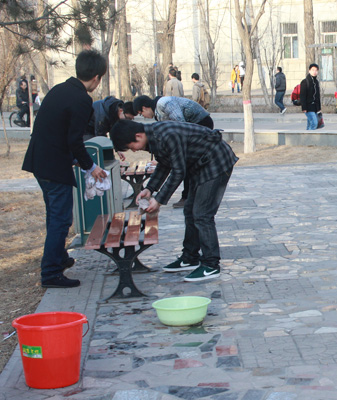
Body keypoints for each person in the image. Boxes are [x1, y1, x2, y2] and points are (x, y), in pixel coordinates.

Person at [109, 119, 238, 282]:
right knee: (190, 211)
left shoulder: (167, 135)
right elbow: (165, 164)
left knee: (202, 215)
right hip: (200, 166)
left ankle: (211, 265)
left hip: (216, 163)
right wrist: (150, 189)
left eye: (130, 147)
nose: (133, 151)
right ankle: (190, 257)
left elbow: (178, 171)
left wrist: (159, 200)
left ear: (138, 136)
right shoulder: (155, 136)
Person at [22, 49, 108, 288]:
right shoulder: (82, 99)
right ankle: (51, 273)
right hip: (54, 165)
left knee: (55, 216)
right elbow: (74, 141)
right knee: (61, 219)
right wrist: (91, 167)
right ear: (97, 77)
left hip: (40, 162)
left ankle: (59, 257)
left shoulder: (59, 89)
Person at [133, 95, 214, 208]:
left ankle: (188, 197)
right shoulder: (158, 113)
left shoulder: (163, 103)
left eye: (142, 114)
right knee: (183, 161)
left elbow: (179, 124)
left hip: (201, 123)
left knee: (185, 161)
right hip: (190, 128)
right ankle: (190, 196)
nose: (144, 117)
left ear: (144, 107)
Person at [299, 63, 321, 130]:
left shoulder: (316, 82)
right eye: (313, 70)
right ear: (309, 71)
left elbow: (317, 96)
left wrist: (319, 108)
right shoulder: (305, 82)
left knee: (309, 124)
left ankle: (306, 137)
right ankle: (311, 139)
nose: (314, 72)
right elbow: (302, 95)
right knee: (314, 123)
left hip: (314, 107)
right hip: (308, 107)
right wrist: (304, 107)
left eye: (316, 70)